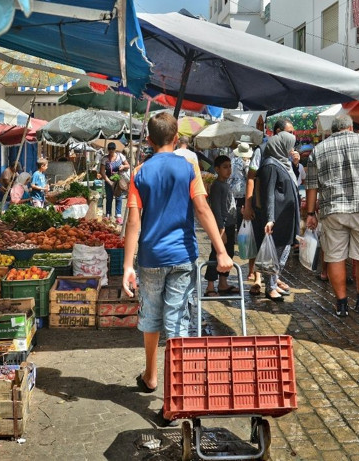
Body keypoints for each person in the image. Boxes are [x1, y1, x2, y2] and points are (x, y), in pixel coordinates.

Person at [122, 113, 232, 420]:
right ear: (176, 139)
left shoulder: (140, 172)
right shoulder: (188, 168)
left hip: (150, 259)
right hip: (183, 257)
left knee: (152, 316)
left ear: (148, 140)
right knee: (177, 323)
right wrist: (221, 252)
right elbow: (202, 209)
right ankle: (176, 395)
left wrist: (127, 267)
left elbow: (133, 221)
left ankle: (152, 376)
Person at [305, 115, 359, 317]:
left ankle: (341, 303)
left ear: (332, 130)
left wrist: (310, 213)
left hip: (332, 211)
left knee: (335, 257)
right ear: (351, 127)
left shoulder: (318, 150)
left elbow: (311, 185)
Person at [243, 119, 295, 295]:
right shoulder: (262, 150)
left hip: (280, 209)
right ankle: (263, 280)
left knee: (278, 244)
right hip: (263, 205)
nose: (292, 136)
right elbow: (251, 177)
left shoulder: (285, 151)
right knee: (265, 243)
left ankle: (273, 278)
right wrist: (248, 204)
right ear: (279, 132)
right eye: (289, 132)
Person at [252, 131, 300, 301]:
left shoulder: (282, 163)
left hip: (285, 218)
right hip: (277, 218)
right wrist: (270, 218)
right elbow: (269, 194)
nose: (292, 148)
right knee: (274, 255)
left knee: (283, 252)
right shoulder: (270, 166)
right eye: (290, 144)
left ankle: (273, 283)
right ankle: (270, 287)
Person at [204, 155, 237, 297]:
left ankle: (223, 283)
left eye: (230, 166)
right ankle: (210, 285)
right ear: (217, 169)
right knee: (216, 254)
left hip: (229, 225)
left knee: (228, 254)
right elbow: (217, 209)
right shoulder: (217, 186)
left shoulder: (226, 184)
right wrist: (220, 230)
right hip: (221, 227)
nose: (228, 170)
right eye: (225, 167)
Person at [99, 142, 129, 223]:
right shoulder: (105, 159)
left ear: (115, 149)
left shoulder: (120, 156)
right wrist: (109, 182)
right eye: (109, 149)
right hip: (108, 180)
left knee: (119, 197)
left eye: (113, 149)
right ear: (108, 149)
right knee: (109, 198)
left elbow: (128, 165)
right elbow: (102, 172)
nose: (111, 151)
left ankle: (118, 215)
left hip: (118, 180)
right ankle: (108, 214)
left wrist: (123, 166)